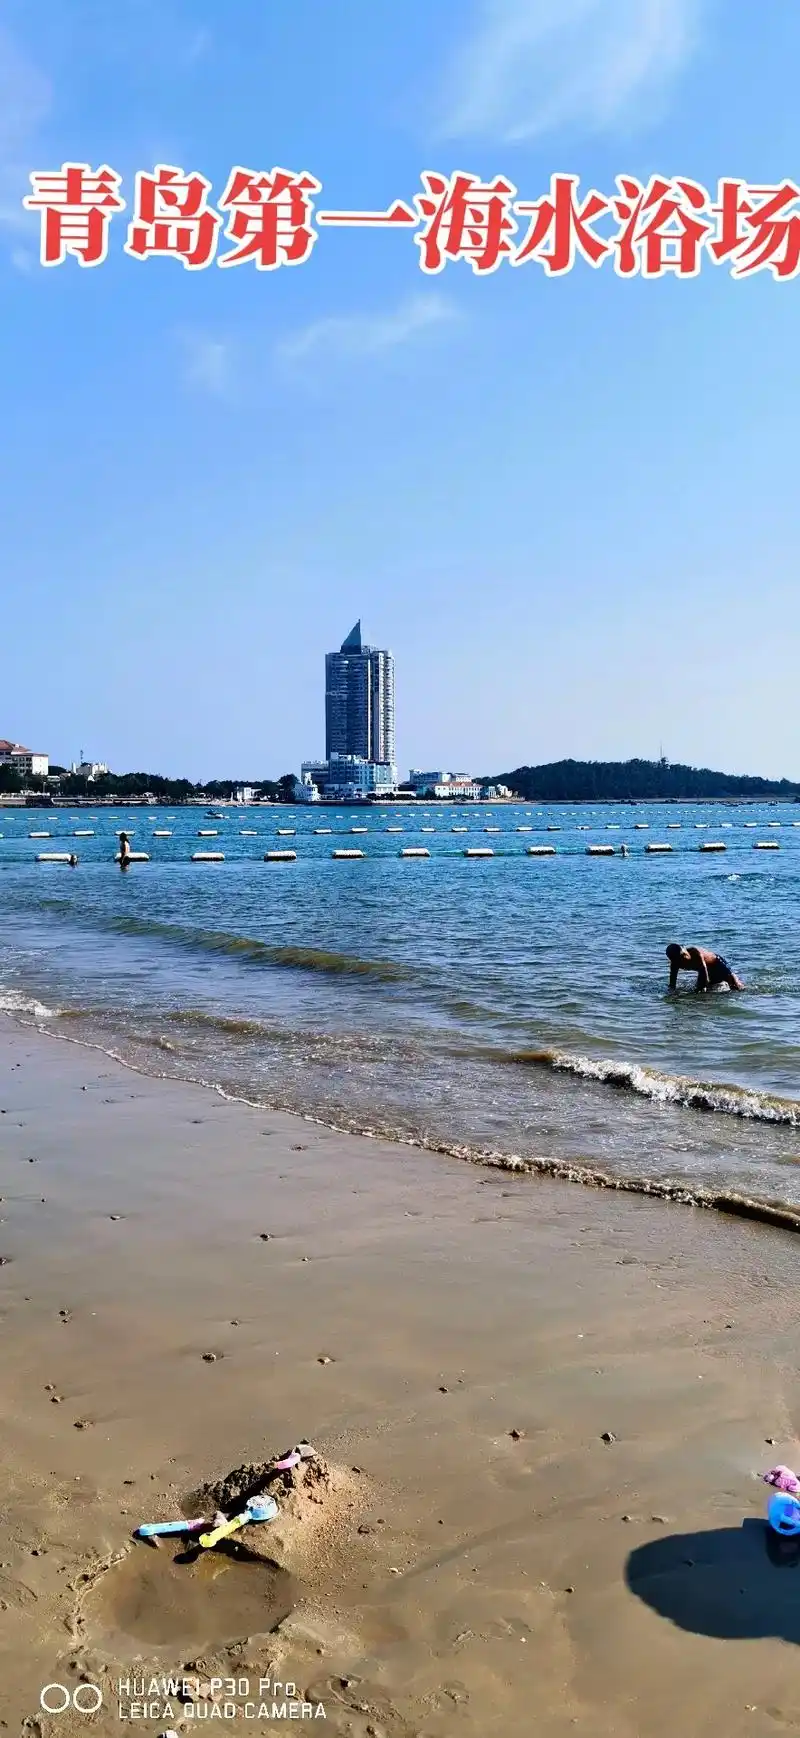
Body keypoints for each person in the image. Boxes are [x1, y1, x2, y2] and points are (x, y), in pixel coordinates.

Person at [666, 943, 744, 992]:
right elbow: (672, 984)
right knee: (709, 988)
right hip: (704, 969)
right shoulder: (675, 964)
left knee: (735, 987)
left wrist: (703, 990)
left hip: (717, 962)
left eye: (684, 956)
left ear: (686, 951)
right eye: (679, 959)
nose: (684, 960)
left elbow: (704, 975)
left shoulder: (695, 953)